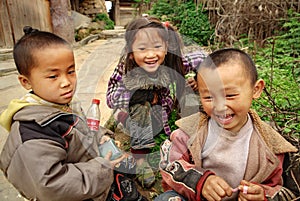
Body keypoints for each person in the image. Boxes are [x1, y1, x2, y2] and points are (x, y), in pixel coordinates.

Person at [0, 27, 145, 201]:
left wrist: (99, 135)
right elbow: (52, 186)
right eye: (53, 76)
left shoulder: (61, 105)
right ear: (26, 81)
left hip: (90, 180)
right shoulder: (34, 131)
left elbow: (80, 129)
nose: (66, 83)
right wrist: (102, 168)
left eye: (70, 71)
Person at [155, 48, 298, 201]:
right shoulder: (190, 132)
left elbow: (278, 187)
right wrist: (199, 182)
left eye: (230, 95)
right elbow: (168, 164)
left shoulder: (271, 146)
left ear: (256, 90)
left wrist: (262, 194)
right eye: (209, 97)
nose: (220, 106)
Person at [105, 16, 206, 188]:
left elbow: (204, 57)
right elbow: (111, 96)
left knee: (191, 93)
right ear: (130, 52)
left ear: (166, 47)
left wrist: (198, 78)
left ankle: (195, 137)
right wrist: (141, 96)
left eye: (157, 47)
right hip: (138, 116)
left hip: (162, 115)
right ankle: (140, 160)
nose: (151, 55)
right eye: (142, 48)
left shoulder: (173, 63)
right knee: (140, 101)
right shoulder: (126, 67)